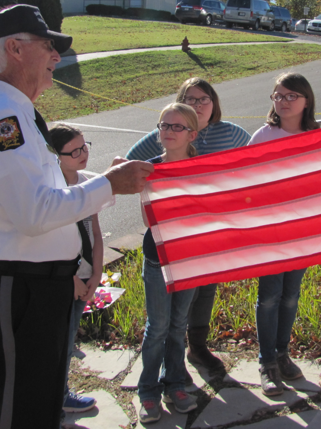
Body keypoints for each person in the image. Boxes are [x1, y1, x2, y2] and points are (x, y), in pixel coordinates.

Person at [0, 5, 153, 429]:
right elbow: (34, 213)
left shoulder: (20, 114)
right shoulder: (1, 118)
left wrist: (109, 178)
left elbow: (48, 190)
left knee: (42, 404)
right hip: (21, 291)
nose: (55, 56)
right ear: (14, 48)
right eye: (48, 46)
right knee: (19, 411)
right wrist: (109, 185)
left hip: (41, 288)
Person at [127, 77, 251, 372]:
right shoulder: (167, 132)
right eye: (190, 99)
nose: (197, 104)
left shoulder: (231, 133)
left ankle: (197, 347)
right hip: (170, 235)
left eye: (203, 99)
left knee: (205, 290)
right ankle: (164, 370)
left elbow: (255, 161)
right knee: (164, 314)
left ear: (213, 103)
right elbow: (130, 162)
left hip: (212, 230)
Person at [248, 72, 320, 396]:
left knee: (291, 295)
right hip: (270, 231)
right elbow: (242, 178)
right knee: (269, 297)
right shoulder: (264, 135)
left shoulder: (317, 137)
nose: (284, 101)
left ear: (307, 100)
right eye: (278, 95)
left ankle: (282, 353)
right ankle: (266, 362)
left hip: (303, 231)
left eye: (292, 95)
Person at [138, 103, 200, 424]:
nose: (169, 132)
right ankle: (148, 390)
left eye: (178, 127)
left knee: (179, 326)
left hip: (191, 258)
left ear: (192, 133)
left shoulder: (204, 167)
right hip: (158, 258)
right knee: (158, 327)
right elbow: (148, 218)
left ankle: (174, 382)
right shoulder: (148, 169)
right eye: (164, 125)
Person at [50, 124, 101, 417]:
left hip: (85, 275)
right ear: (56, 156)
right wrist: (70, 279)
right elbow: (50, 240)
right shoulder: (52, 191)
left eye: (85, 146)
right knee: (56, 341)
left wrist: (95, 274)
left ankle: (60, 393)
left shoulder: (86, 183)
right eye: (75, 151)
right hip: (62, 277)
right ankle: (54, 397)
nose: (83, 154)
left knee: (68, 338)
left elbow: (94, 230)